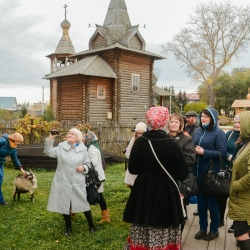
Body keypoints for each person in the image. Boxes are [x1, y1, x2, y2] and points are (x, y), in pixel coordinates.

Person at [123, 106, 188, 250]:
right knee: (165, 223)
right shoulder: (172, 143)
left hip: (144, 189)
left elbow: (133, 169)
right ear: (165, 121)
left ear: (149, 121)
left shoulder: (140, 142)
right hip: (166, 190)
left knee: (142, 223)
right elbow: (183, 173)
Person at [44, 128, 96, 236]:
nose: (70, 134)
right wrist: (51, 137)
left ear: (77, 137)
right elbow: (48, 152)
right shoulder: (61, 147)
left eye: (72, 134)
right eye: (69, 133)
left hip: (78, 181)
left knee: (83, 203)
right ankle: (68, 228)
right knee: (65, 204)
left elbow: (88, 163)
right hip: (63, 180)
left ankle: (91, 225)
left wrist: (83, 167)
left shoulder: (83, 149)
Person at [190, 108, 227, 241]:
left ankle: (214, 230)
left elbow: (222, 153)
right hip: (198, 174)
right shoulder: (198, 131)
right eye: (202, 116)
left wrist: (204, 152)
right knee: (200, 204)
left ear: (213, 118)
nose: (203, 118)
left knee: (212, 204)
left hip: (211, 176)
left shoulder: (219, 133)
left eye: (206, 116)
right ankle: (202, 228)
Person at [168, 113, 196, 223]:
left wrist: (175, 163)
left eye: (176, 122)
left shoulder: (186, 139)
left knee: (180, 204)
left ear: (181, 124)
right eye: (171, 122)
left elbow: (191, 159)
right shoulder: (165, 137)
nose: (173, 124)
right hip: (166, 177)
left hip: (179, 177)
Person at [228, 111, 250, 250]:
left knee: (240, 233)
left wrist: (236, 185)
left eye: (242, 123)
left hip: (245, 200)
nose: (239, 126)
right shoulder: (246, 143)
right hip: (242, 200)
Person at [217, 115, 240, 231]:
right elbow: (222, 149)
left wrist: (235, 158)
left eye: (239, 122)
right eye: (235, 122)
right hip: (226, 169)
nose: (236, 125)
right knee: (222, 195)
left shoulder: (246, 136)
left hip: (239, 172)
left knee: (236, 198)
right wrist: (228, 156)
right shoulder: (229, 134)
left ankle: (236, 224)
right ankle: (220, 219)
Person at [84, 130, 110, 223]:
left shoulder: (91, 148)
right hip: (97, 176)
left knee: (99, 196)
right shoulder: (92, 146)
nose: (83, 139)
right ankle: (105, 216)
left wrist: (84, 165)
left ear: (89, 139)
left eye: (85, 138)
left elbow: (94, 162)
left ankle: (106, 217)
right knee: (98, 195)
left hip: (96, 177)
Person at [0, 132, 27, 205]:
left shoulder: (13, 147)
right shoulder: (3, 141)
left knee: (1, 180)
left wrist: (21, 169)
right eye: (18, 142)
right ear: (14, 139)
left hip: (1, 163)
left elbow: (15, 158)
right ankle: (1, 200)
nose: (19, 144)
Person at [184, 110, 200, 216]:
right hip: (189, 157)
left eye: (188, 117)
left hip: (196, 157)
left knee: (196, 182)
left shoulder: (198, 128)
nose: (186, 119)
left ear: (193, 117)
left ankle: (200, 206)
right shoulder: (187, 127)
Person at [124, 122, 147, 188]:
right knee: (133, 186)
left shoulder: (147, 140)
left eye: (142, 133)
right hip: (134, 166)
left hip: (143, 168)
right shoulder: (133, 139)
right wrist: (133, 158)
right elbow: (127, 152)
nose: (140, 135)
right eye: (138, 133)